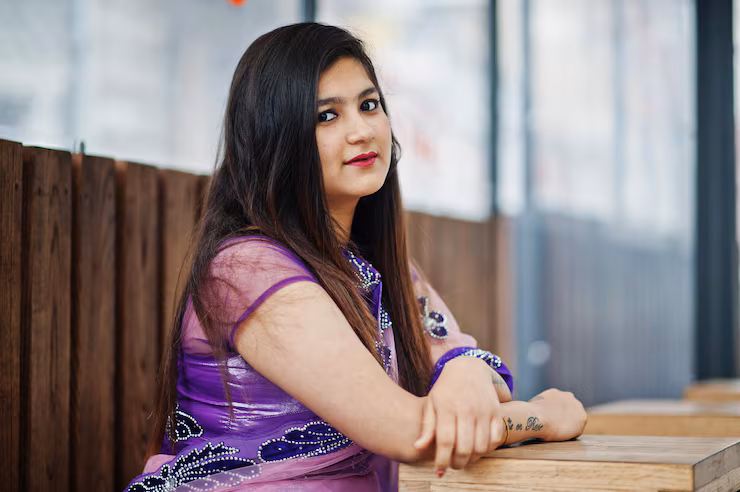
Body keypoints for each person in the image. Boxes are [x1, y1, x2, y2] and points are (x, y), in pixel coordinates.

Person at [124, 22, 586, 492]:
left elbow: (472, 366)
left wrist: (464, 370)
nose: (362, 131)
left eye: (369, 105)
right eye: (327, 116)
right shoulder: (247, 270)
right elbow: (411, 432)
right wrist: (543, 417)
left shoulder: (377, 269)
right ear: (275, 138)